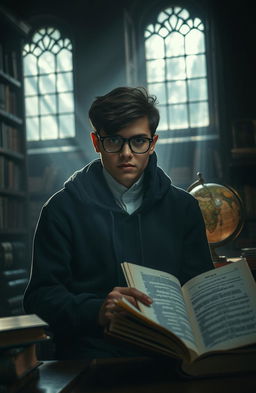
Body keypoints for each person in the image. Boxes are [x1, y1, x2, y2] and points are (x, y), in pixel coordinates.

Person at [23, 86, 214, 359]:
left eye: (138, 141)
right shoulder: (60, 209)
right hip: (90, 362)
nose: (126, 153)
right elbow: (39, 300)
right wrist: (97, 310)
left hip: (173, 360)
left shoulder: (184, 208)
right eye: (114, 141)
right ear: (96, 142)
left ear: (153, 142)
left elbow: (199, 290)